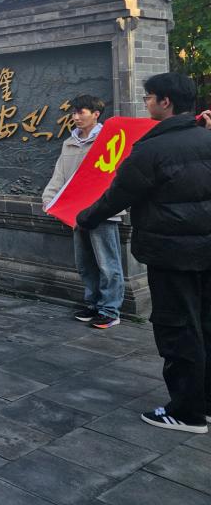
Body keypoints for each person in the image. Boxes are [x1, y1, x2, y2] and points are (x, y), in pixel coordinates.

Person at [78, 73, 211, 434]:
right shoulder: (207, 138)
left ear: (166, 102)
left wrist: (84, 218)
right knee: (205, 322)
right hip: (205, 250)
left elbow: (117, 196)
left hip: (171, 253)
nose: (147, 103)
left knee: (177, 328)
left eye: (150, 97)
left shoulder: (151, 150)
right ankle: (205, 401)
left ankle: (186, 412)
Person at [44, 95, 125, 329]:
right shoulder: (69, 142)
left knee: (108, 263)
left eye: (82, 112)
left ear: (96, 114)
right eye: (74, 112)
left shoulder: (109, 139)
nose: (76, 117)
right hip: (76, 212)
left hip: (103, 212)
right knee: (85, 263)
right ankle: (93, 304)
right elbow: (59, 175)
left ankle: (110, 310)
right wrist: (49, 199)